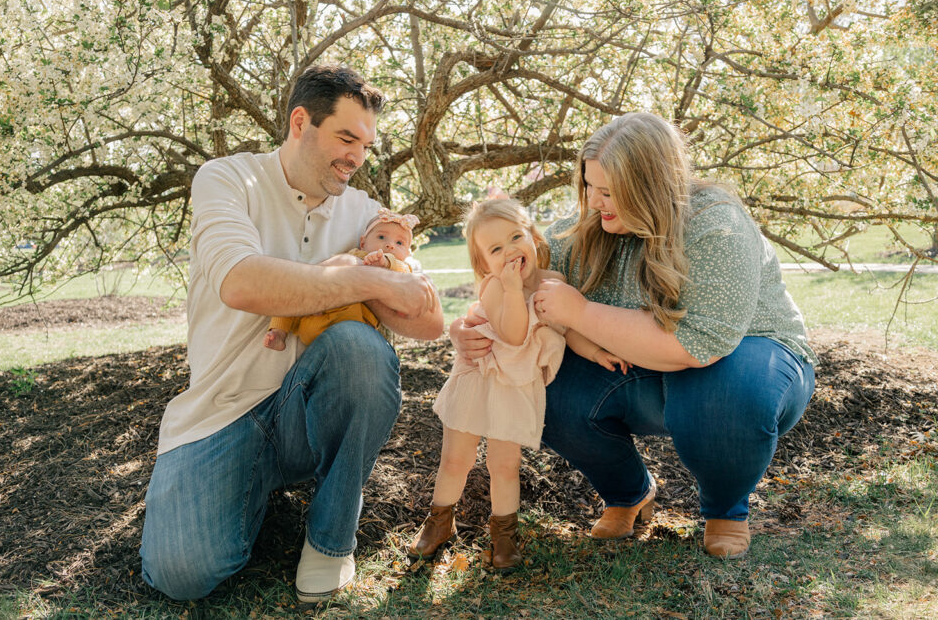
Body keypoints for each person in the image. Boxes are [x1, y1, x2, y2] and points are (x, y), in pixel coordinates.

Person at [450, 112, 817, 559]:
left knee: (724, 394)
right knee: (543, 384)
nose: (594, 201)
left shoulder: (716, 225)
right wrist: (469, 325)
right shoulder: (584, 227)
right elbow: (517, 281)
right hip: (640, 363)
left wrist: (580, 311)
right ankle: (629, 494)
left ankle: (725, 509)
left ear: (649, 185)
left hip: (743, 358)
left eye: (609, 191)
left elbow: (695, 346)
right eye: (589, 186)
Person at [140, 65, 444, 603]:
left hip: (310, 407)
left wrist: (391, 282)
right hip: (224, 409)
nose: (356, 157)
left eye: (366, 145)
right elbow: (240, 282)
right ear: (300, 122)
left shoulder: (367, 213)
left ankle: (330, 540)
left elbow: (429, 322)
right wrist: (363, 277)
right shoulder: (227, 179)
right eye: (345, 138)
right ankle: (249, 486)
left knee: (360, 349)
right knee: (180, 575)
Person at [409, 198, 567, 570]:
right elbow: (513, 335)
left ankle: (504, 536)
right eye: (496, 249)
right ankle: (439, 522)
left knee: (505, 464)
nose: (510, 251)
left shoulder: (555, 284)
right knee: (456, 459)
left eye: (516, 237)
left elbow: (569, 326)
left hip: (516, 385)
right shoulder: (496, 287)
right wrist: (514, 290)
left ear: (533, 236)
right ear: (484, 264)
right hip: (481, 377)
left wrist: (597, 351)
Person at [263, 208, 420, 351]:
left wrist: (386, 262)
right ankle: (278, 331)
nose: (390, 245)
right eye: (381, 237)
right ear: (363, 242)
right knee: (295, 291)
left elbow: (405, 273)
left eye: (399, 242)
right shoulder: (354, 255)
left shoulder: (401, 268)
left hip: (351, 321)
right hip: (313, 318)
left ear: (407, 253)